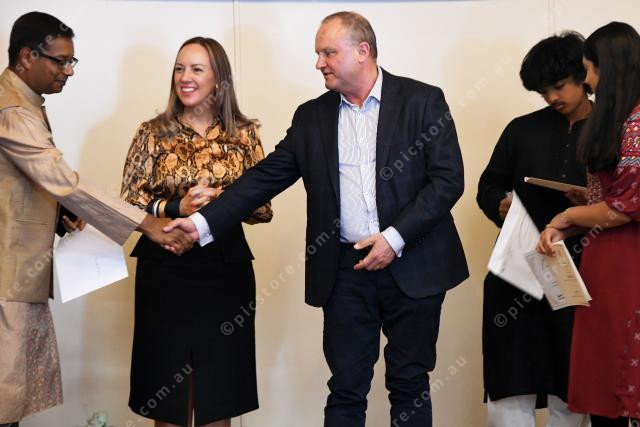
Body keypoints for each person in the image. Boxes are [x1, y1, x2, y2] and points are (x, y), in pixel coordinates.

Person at [165, 11, 468, 427]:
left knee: (410, 382)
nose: (318, 63)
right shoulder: (312, 117)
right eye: (318, 53)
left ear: (362, 51)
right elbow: (263, 180)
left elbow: (448, 181)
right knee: (346, 387)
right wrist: (201, 224)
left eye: (328, 53)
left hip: (415, 262)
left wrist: (394, 238)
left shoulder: (423, 100)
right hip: (345, 270)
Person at [0, 12, 193, 427]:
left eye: (72, 61)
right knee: (4, 400)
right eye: (60, 60)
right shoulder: (12, 109)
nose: (69, 71)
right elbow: (61, 179)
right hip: (6, 277)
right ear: (27, 57)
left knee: (11, 398)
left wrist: (60, 213)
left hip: (17, 272)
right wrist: (147, 224)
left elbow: (22, 185)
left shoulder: (25, 102)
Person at [120, 37, 272, 427]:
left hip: (225, 272)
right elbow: (129, 200)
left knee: (218, 390)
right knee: (166, 390)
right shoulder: (152, 132)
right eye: (179, 68)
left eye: (196, 69)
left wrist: (224, 200)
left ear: (219, 79)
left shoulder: (244, 134)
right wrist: (176, 208)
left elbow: (263, 209)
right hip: (165, 267)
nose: (185, 77)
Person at [477, 33, 591, 427]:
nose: (552, 97)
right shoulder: (521, 130)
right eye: (544, 91)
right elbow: (488, 185)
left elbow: (624, 201)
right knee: (510, 375)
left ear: (584, 75)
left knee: (573, 378)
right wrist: (500, 203)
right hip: (517, 267)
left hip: (582, 272)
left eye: (559, 86)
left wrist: (588, 203)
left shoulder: (612, 130)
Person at [537, 21, 640, 427]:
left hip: (629, 265)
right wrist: (570, 225)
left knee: (624, 374)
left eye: (590, 69)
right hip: (603, 263)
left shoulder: (636, 122)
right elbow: (605, 204)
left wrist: (567, 216)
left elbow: (626, 206)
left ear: (607, 68)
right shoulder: (615, 121)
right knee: (603, 382)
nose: (588, 80)